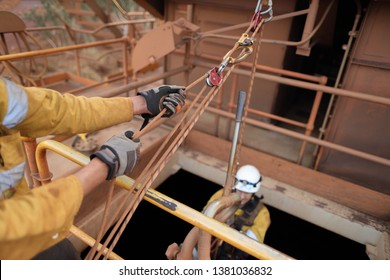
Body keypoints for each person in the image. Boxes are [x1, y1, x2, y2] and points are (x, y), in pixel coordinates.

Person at [0, 76, 186, 259]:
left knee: (64, 253)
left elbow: (55, 110)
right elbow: (8, 226)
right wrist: (104, 164)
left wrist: (140, 103)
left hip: (41, 233)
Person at [206, 164, 271, 260]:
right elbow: (205, 214)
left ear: (254, 192)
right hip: (207, 244)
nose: (242, 196)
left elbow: (253, 243)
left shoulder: (262, 213)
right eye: (240, 190)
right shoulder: (222, 195)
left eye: (247, 193)